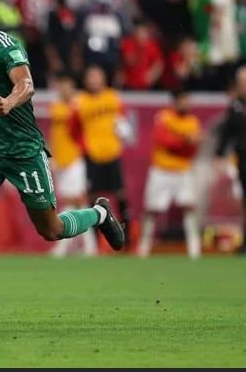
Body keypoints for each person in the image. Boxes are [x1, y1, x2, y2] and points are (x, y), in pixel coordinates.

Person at [0, 0, 125, 326]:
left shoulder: (7, 45)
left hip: (23, 152)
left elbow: (26, 84)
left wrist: (10, 101)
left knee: (51, 229)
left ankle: (99, 214)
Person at [71, 65, 133, 247]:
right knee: (93, 197)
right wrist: (84, 147)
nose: (94, 80)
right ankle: (95, 241)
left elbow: (122, 121)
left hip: (112, 153)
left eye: (97, 76)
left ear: (104, 78)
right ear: (85, 80)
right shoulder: (79, 102)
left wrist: (123, 131)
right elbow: (73, 129)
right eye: (91, 76)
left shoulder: (113, 98)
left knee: (120, 194)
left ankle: (127, 237)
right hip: (93, 155)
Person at [138, 88, 202, 259]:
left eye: (188, 101)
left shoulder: (193, 122)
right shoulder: (164, 117)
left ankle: (194, 249)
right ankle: (143, 247)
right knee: (152, 209)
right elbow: (163, 140)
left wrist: (186, 143)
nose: (186, 104)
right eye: (183, 101)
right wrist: (185, 140)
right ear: (175, 102)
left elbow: (192, 150)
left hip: (183, 171)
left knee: (189, 207)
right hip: (162, 170)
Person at [47, 73, 98, 257]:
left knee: (77, 201)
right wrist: (51, 156)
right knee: (71, 202)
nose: (64, 90)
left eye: (67, 86)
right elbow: (54, 135)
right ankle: (84, 245)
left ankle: (80, 246)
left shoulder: (80, 106)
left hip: (75, 159)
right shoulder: (55, 107)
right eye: (61, 86)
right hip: (59, 161)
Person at [215, 66, 246, 254]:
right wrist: (219, 155)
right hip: (243, 158)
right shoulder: (235, 107)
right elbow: (227, 134)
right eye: (241, 83)